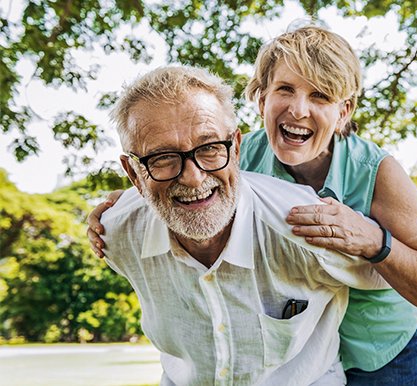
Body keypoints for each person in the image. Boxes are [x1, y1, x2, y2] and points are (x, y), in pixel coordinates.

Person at [89, 25, 417, 385]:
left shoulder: (375, 172)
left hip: (381, 343)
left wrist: (374, 240)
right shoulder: (236, 155)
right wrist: (132, 200)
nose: (299, 109)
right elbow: (187, 175)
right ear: (262, 97)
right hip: (308, 341)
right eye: (286, 89)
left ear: (344, 112)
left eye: (321, 95)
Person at [101, 65, 393, 385]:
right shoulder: (116, 233)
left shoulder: (304, 226)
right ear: (133, 174)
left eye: (210, 148)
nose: (193, 177)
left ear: (236, 147)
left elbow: (386, 278)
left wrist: (379, 242)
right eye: (162, 158)